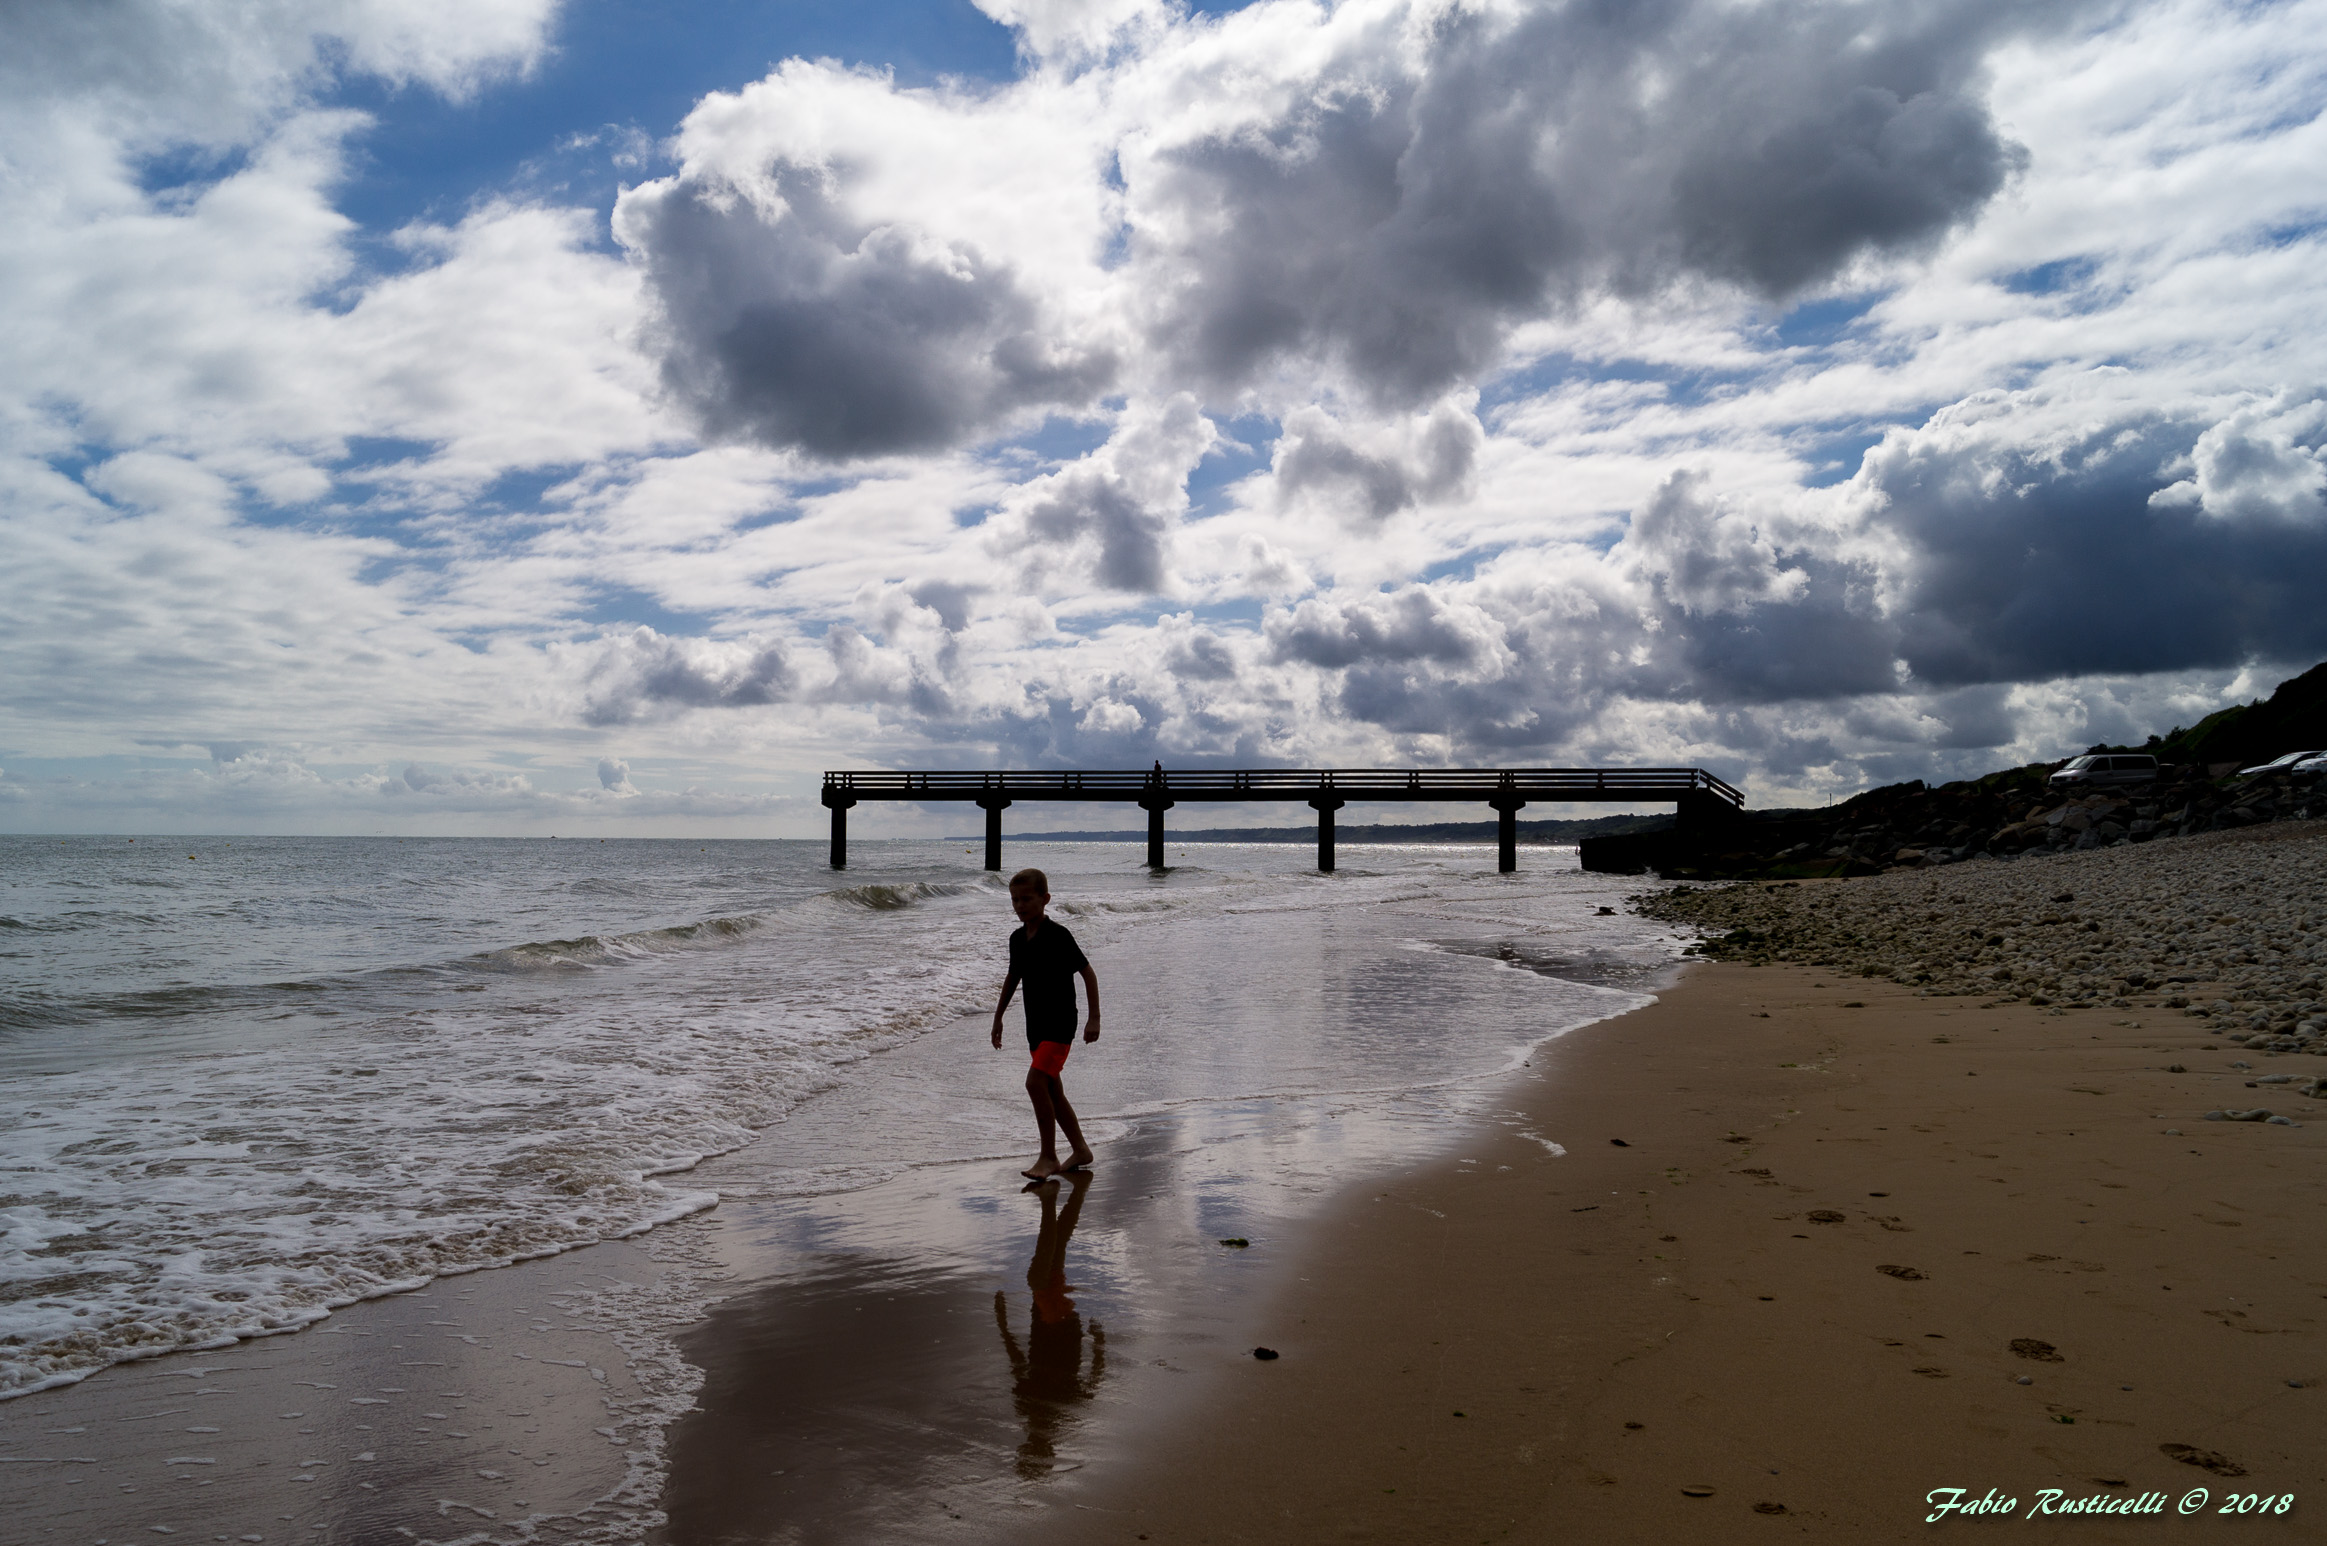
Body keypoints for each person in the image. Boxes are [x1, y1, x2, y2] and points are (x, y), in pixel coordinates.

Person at [991, 866, 1100, 1180]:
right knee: (1052, 1090)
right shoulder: (1017, 939)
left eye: (1026, 899)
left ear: (1045, 899)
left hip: (1060, 1023)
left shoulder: (1058, 935)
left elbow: (1088, 974)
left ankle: (1048, 1156)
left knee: (1035, 1082)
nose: (1020, 905)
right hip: (1035, 1026)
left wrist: (1094, 1018)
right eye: (1014, 900)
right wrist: (998, 1017)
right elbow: (1013, 978)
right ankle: (1080, 1149)